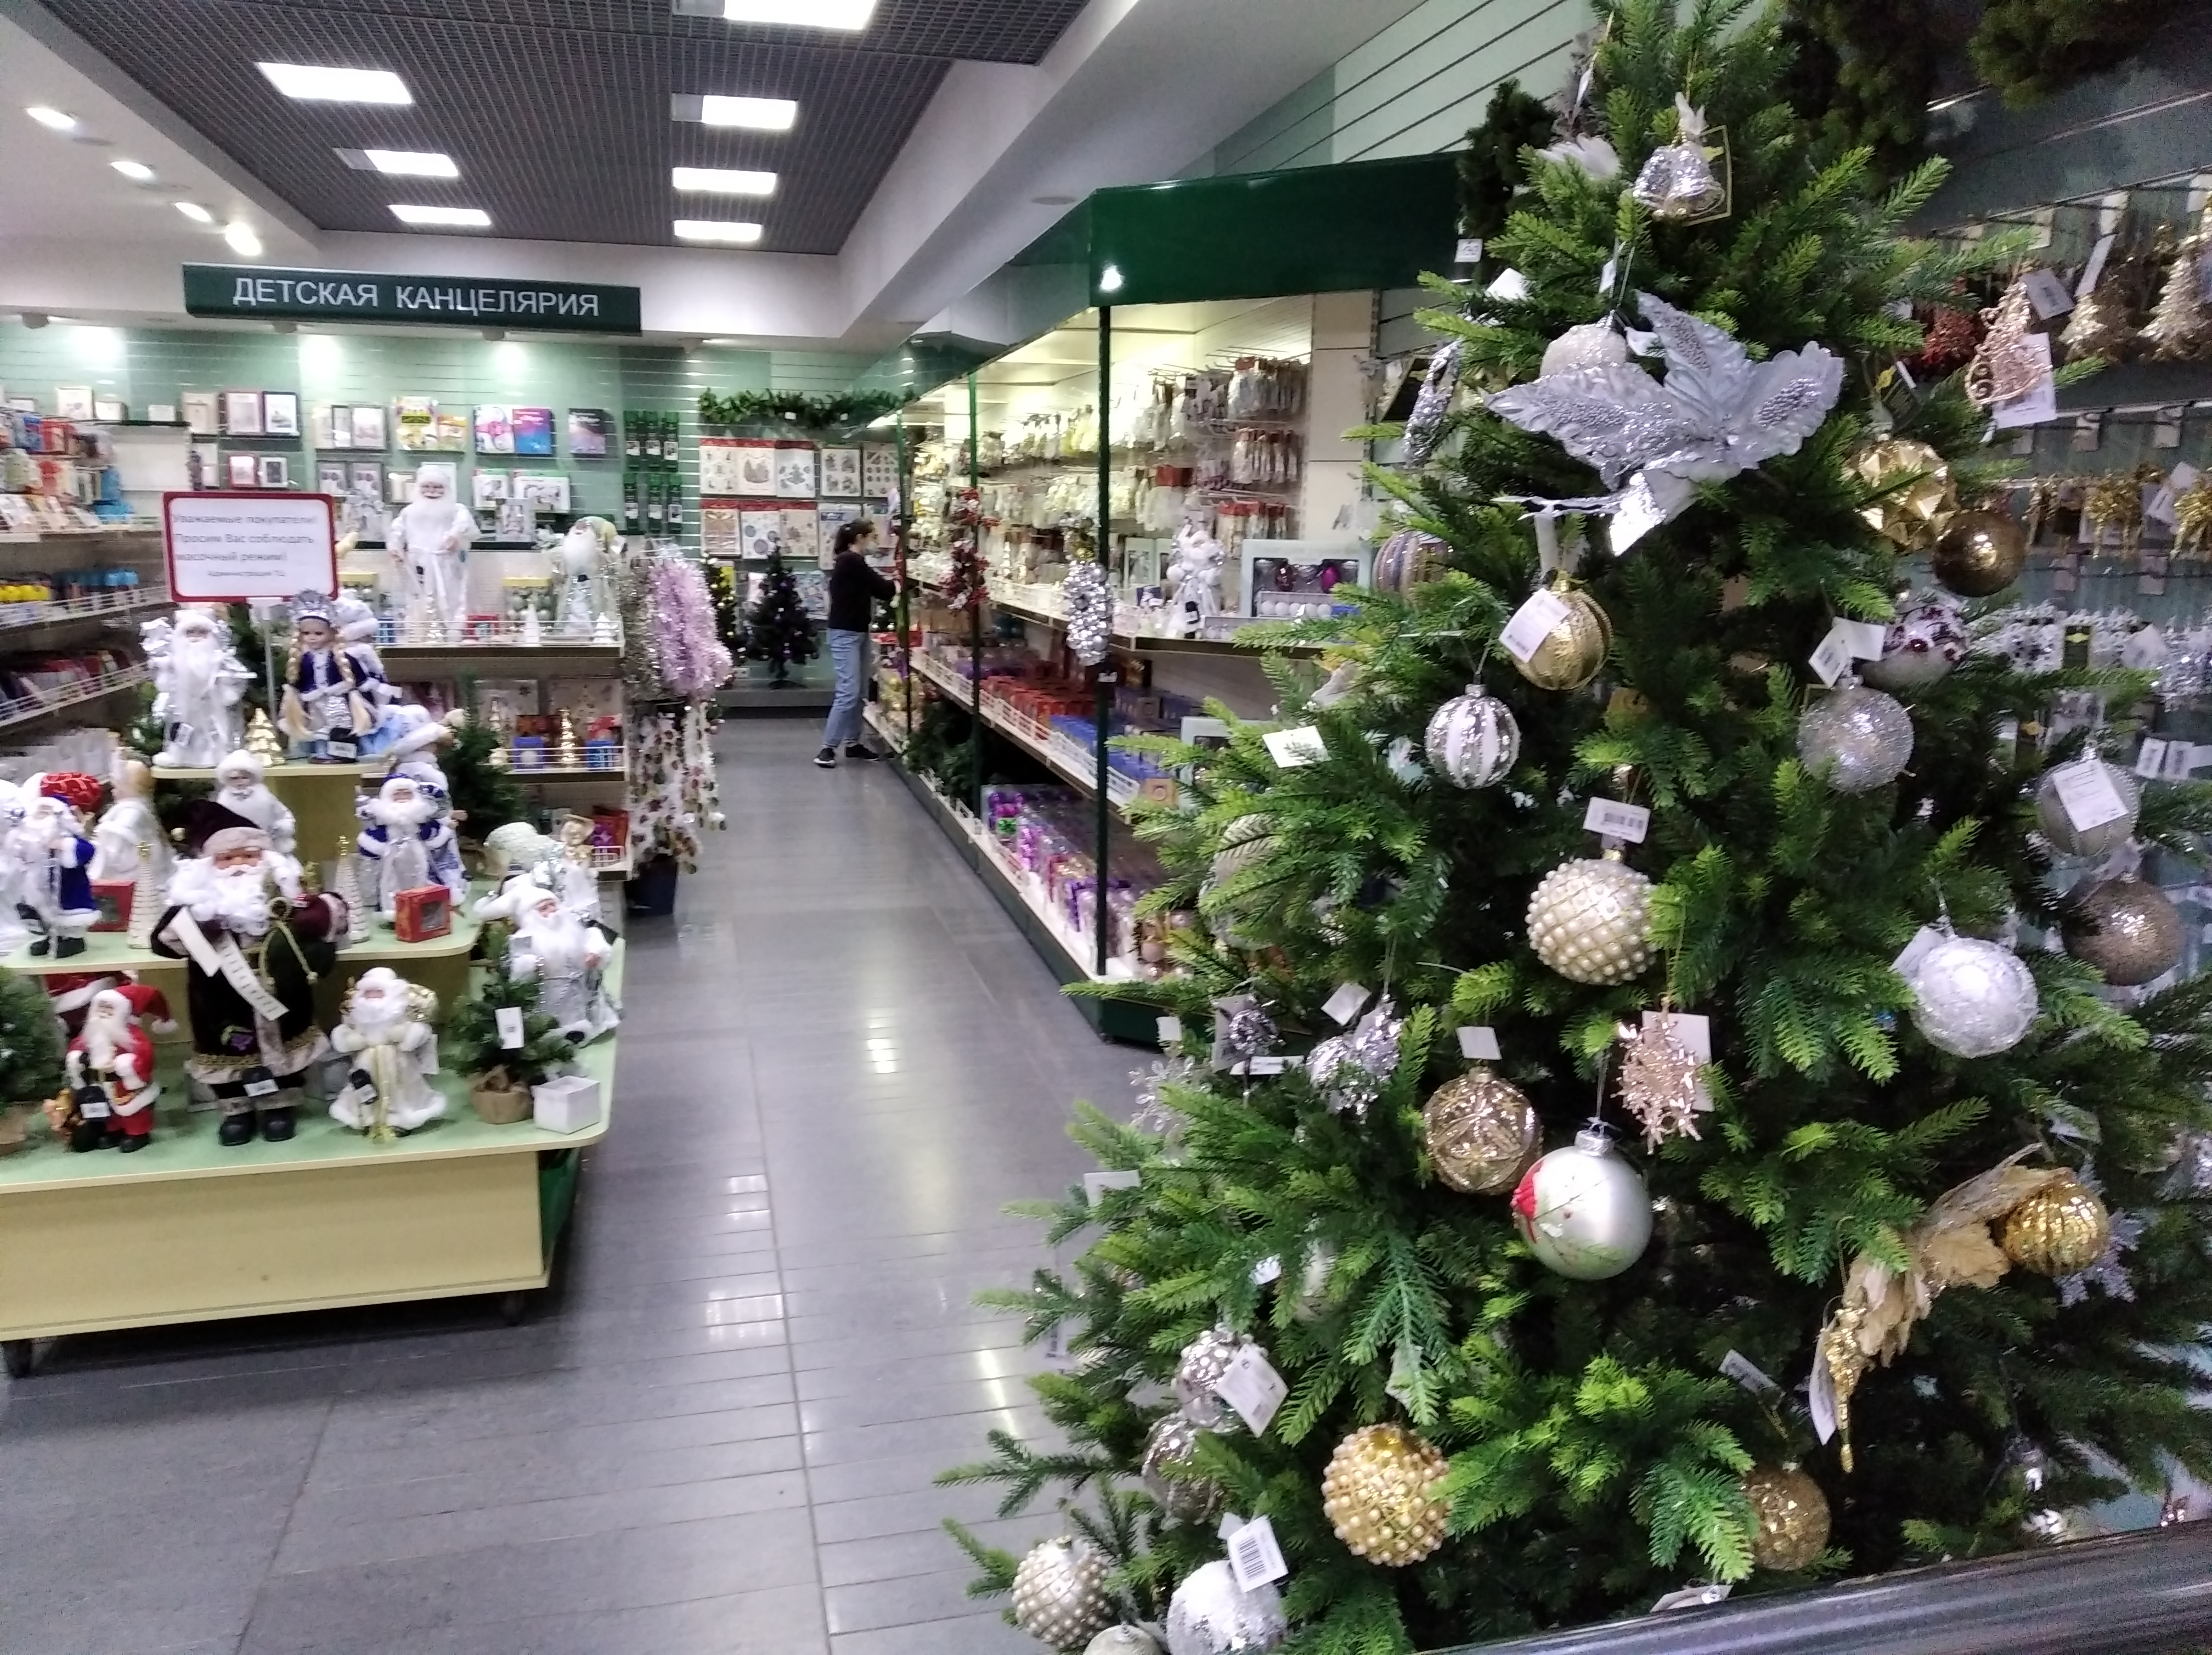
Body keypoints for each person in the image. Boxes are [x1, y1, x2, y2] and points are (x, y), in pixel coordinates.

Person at [815, 519, 898, 769]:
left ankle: (853, 743)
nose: (876, 542)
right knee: (848, 692)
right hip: (845, 634)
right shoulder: (850, 560)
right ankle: (827, 749)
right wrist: (899, 582)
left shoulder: (852, 561)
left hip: (858, 632)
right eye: (873, 537)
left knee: (859, 691)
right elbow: (883, 590)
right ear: (860, 538)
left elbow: (876, 587)